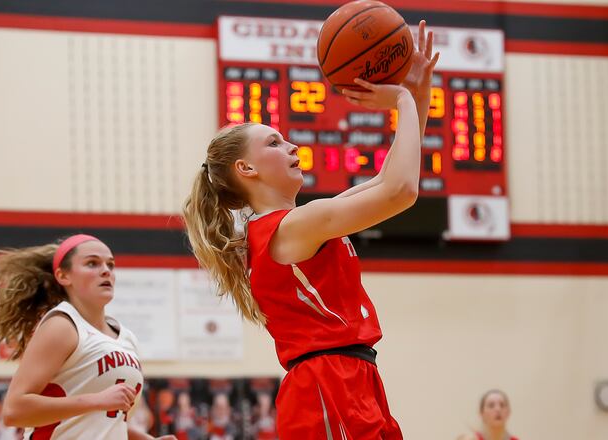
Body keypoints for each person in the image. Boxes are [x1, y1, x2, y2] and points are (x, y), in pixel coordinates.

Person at [183, 20, 438, 439]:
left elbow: (391, 175)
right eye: (274, 143)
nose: (292, 147)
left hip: (351, 376)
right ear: (245, 169)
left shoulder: (300, 224)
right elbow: (402, 191)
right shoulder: (293, 228)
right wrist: (403, 100)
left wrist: (417, 95)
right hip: (328, 383)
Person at [0, 234, 176, 440]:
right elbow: (14, 411)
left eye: (110, 264)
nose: (106, 270)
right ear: (63, 276)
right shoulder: (62, 325)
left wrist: (147, 439)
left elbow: (104, 420)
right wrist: (97, 400)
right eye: (92, 263)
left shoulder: (127, 338)